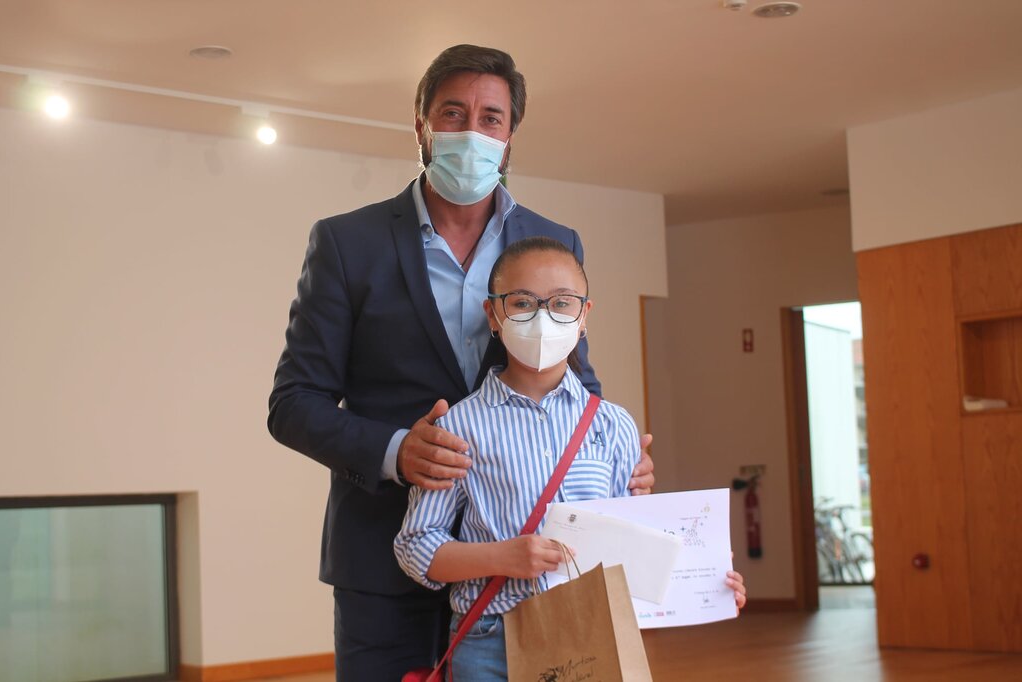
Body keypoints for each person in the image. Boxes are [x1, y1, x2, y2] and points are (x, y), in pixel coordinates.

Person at [268, 45, 654, 682]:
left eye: (491, 117)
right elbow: (293, 403)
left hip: (525, 580)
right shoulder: (347, 243)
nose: (472, 130)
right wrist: (397, 451)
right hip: (384, 558)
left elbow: (576, 385)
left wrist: (618, 457)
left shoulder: (555, 243)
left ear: (509, 136)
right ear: (421, 125)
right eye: (453, 113)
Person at [394, 237, 747, 681]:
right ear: (494, 315)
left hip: (593, 636)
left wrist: (709, 584)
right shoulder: (458, 427)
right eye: (522, 302)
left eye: (562, 303)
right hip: (491, 641)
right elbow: (415, 547)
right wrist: (502, 558)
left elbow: (632, 553)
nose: (543, 317)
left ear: (584, 317)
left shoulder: (613, 425)